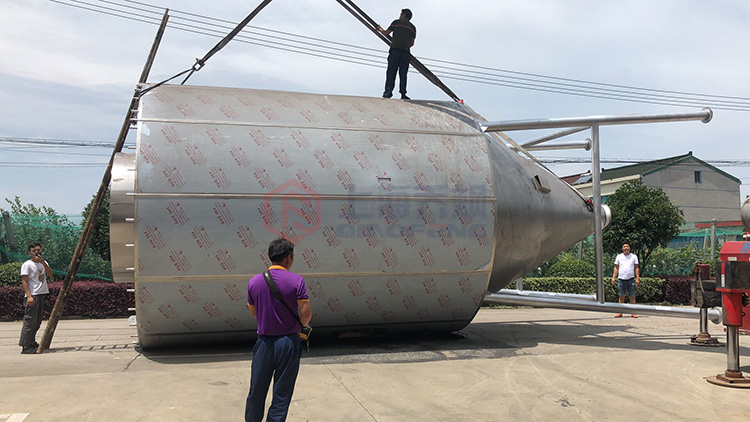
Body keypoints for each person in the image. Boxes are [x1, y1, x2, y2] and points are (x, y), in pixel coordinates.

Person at [245, 238, 312, 422]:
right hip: (288, 343)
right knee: (282, 393)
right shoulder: (296, 280)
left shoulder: (254, 282)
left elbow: (253, 313)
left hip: (264, 343)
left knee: (256, 391)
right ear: (289, 258)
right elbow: (306, 315)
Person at [19, 243, 53, 354]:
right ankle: (25, 345)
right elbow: (24, 281)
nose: (36, 253)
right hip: (33, 295)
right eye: (34, 251)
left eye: (38, 250)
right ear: (30, 253)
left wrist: (43, 262)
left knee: (37, 321)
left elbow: (50, 274)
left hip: (41, 293)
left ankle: (31, 342)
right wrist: (29, 296)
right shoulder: (27, 265)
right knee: (30, 321)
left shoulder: (43, 263)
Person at [377, 8, 416, 100]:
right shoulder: (413, 28)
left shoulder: (396, 22)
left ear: (404, 15)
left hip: (395, 51)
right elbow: (412, 43)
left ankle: (388, 92)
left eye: (401, 14)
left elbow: (386, 33)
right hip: (406, 53)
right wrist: (405, 45)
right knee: (403, 74)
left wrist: (380, 29)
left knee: (391, 72)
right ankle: (403, 94)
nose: (400, 16)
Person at [611, 242, 640, 318]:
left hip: (631, 279)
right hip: (621, 279)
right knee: (621, 296)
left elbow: (636, 268)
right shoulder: (619, 256)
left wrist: (637, 278)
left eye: (627, 246)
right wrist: (613, 277)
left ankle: (633, 312)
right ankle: (619, 312)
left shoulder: (634, 256)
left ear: (629, 248)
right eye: (624, 246)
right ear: (622, 248)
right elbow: (616, 267)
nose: (626, 247)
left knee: (632, 296)